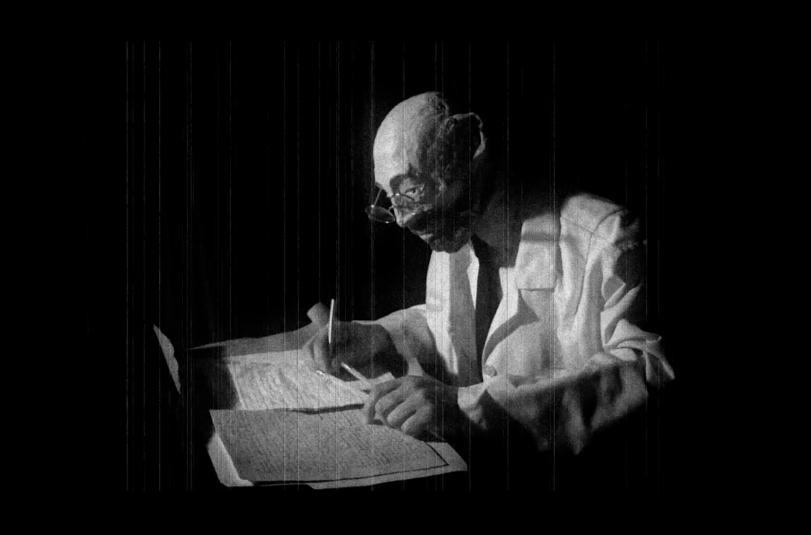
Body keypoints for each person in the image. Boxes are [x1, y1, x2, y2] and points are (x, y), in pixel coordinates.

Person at [304, 92, 674, 489]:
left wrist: (471, 409)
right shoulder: (457, 230)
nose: (405, 219)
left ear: (470, 145)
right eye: (391, 197)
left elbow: (649, 370)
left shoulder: (607, 237)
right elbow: (450, 325)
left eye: (412, 189)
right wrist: (381, 335)